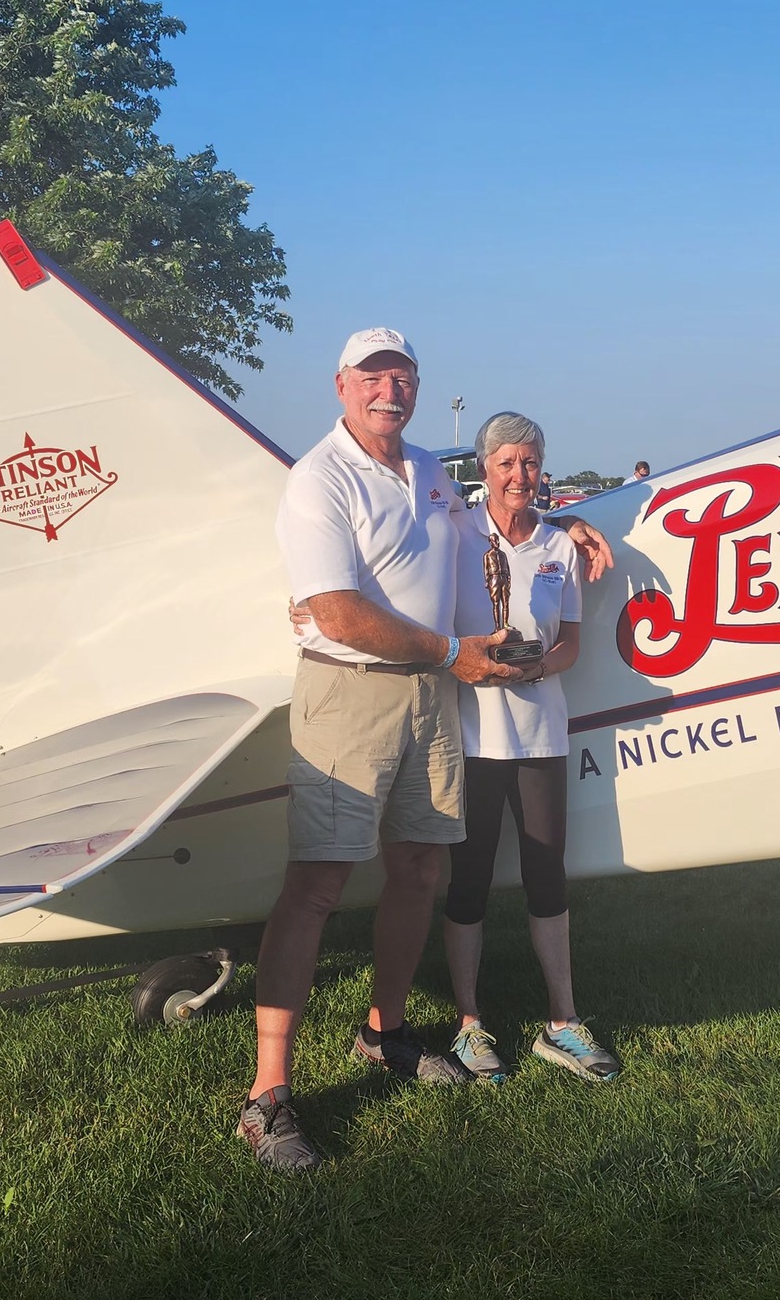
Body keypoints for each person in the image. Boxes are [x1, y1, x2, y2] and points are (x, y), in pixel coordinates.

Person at [242, 329, 611, 1173]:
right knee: (319, 884)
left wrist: (572, 519)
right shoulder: (319, 478)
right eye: (373, 376)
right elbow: (334, 609)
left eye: (402, 377)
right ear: (342, 385)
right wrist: (451, 655)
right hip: (354, 693)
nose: (389, 390)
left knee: (418, 872)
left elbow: (497, 530)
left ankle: (386, 1032)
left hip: (432, 700)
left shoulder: (433, 474)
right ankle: (267, 1097)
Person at [444, 412, 622, 1085]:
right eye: (508, 463)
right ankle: (468, 1024)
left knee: (549, 877)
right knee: (471, 882)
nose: (521, 476)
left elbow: (571, 641)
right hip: (472, 736)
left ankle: (563, 1020)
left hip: (541, 733)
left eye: (532, 463)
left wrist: (536, 669)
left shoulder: (558, 547)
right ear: (485, 468)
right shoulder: (456, 533)